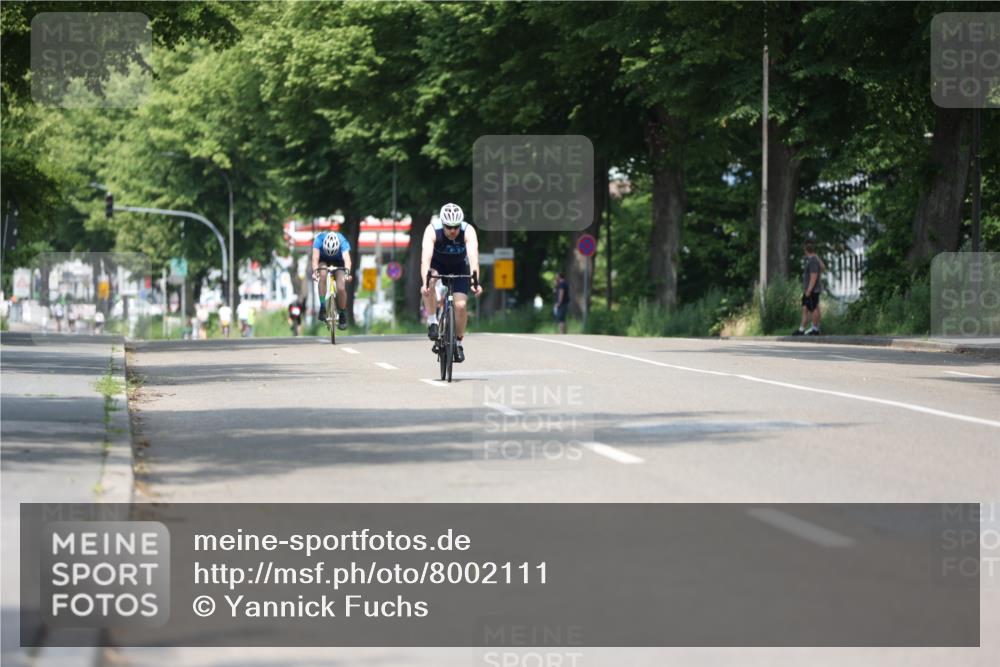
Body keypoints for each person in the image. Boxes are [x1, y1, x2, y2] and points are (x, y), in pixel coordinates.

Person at [420, 203, 483, 363]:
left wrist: (475, 281)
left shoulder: (468, 231)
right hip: (437, 264)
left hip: (459, 266)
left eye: (456, 226)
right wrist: (425, 283)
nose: (453, 231)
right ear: (443, 223)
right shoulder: (432, 230)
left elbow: (474, 258)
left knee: (461, 306)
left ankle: (458, 343)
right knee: (430, 281)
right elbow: (425, 259)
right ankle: (433, 321)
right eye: (449, 227)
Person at [311, 229, 353, 330]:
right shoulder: (319, 240)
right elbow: (315, 258)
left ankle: (342, 314)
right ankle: (322, 306)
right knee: (323, 274)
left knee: (341, 287)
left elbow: (347, 259)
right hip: (323, 261)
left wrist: (347, 273)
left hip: (339, 263)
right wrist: (315, 272)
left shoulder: (343, 241)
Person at [794, 241, 825, 336]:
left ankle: (814, 329)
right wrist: (817, 256)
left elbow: (814, 277)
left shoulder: (812, 261)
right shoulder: (814, 260)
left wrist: (809, 290)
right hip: (811, 289)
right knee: (806, 308)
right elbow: (823, 267)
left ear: (805, 250)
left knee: (814, 308)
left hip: (812, 290)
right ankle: (803, 329)